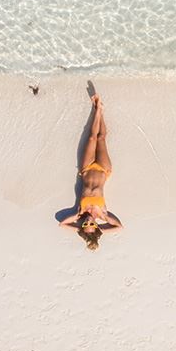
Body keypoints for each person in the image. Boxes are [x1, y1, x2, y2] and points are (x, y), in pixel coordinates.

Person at [60, 91, 123, 249]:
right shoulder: (103, 214)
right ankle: (100, 110)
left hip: (87, 169)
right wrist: (101, 230)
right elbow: (119, 227)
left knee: (92, 138)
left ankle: (98, 109)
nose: (88, 221)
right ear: (96, 225)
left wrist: (77, 223)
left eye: (85, 224)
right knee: (101, 138)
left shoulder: (80, 213)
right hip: (103, 170)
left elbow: (62, 224)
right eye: (92, 225)